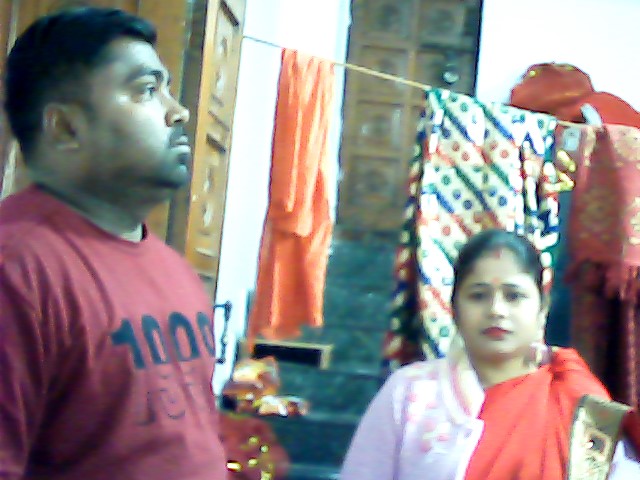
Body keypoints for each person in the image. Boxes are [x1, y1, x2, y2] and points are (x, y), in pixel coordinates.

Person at [0, 7, 228, 480]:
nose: (178, 111)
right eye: (146, 90)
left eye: (168, 89)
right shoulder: (17, 269)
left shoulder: (172, 269)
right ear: (66, 128)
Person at [340, 229, 640, 479]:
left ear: (542, 309)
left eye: (514, 296)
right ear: (454, 309)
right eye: (478, 296)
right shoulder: (409, 393)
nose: (496, 310)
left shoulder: (579, 402)